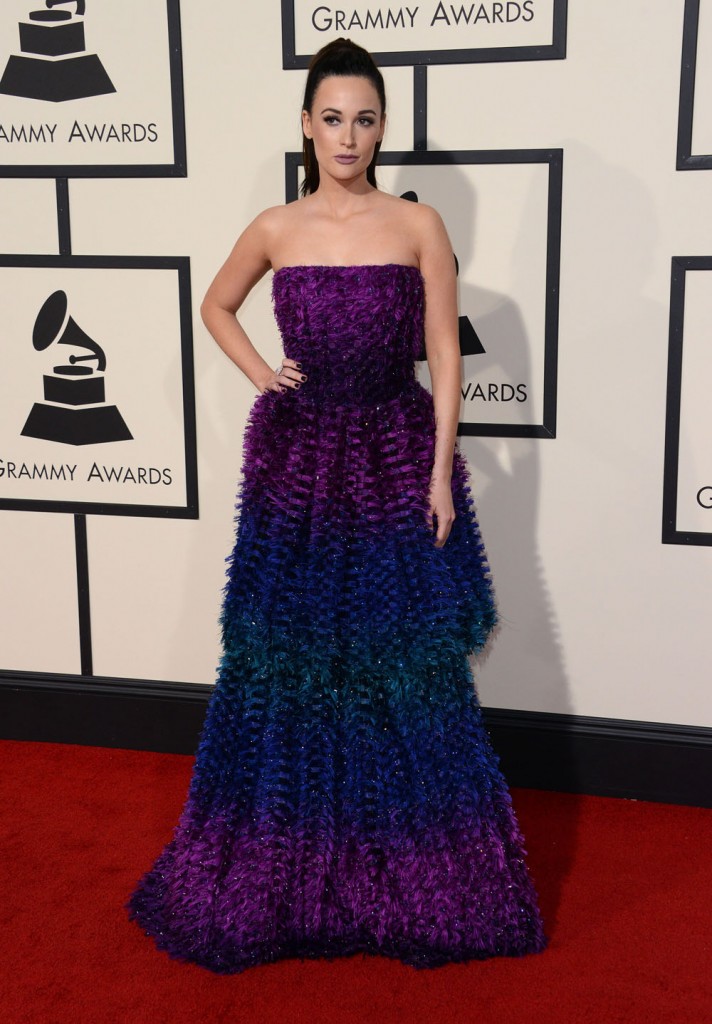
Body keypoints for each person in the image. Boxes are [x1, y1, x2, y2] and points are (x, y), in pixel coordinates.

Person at [126, 37, 547, 973]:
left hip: (395, 454)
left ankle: (417, 870)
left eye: (365, 119)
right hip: (302, 467)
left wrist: (439, 475)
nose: (348, 135)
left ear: (382, 127)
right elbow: (217, 305)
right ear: (306, 124)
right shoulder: (276, 228)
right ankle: (289, 863)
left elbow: (444, 352)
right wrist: (264, 377)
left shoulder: (420, 224)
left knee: (402, 665)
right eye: (332, 117)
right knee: (293, 662)